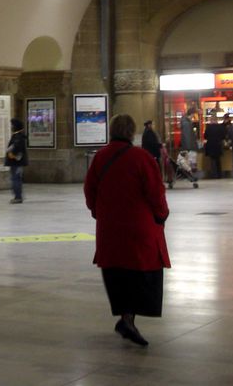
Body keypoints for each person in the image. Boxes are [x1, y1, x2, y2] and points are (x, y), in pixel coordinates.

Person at [84, 114, 170, 348]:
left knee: (117, 273)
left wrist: (98, 212)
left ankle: (126, 318)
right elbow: (156, 192)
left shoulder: (100, 157)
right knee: (140, 273)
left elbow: (89, 190)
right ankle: (128, 319)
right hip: (138, 228)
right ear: (132, 133)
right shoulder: (141, 157)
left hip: (109, 229)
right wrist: (161, 214)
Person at [4, 118, 28, 204]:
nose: (11, 126)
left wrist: (12, 154)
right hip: (15, 162)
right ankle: (18, 195)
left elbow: (17, 147)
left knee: (16, 179)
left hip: (16, 162)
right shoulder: (17, 135)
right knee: (16, 178)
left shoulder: (18, 136)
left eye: (12, 125)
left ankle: (18, 197)